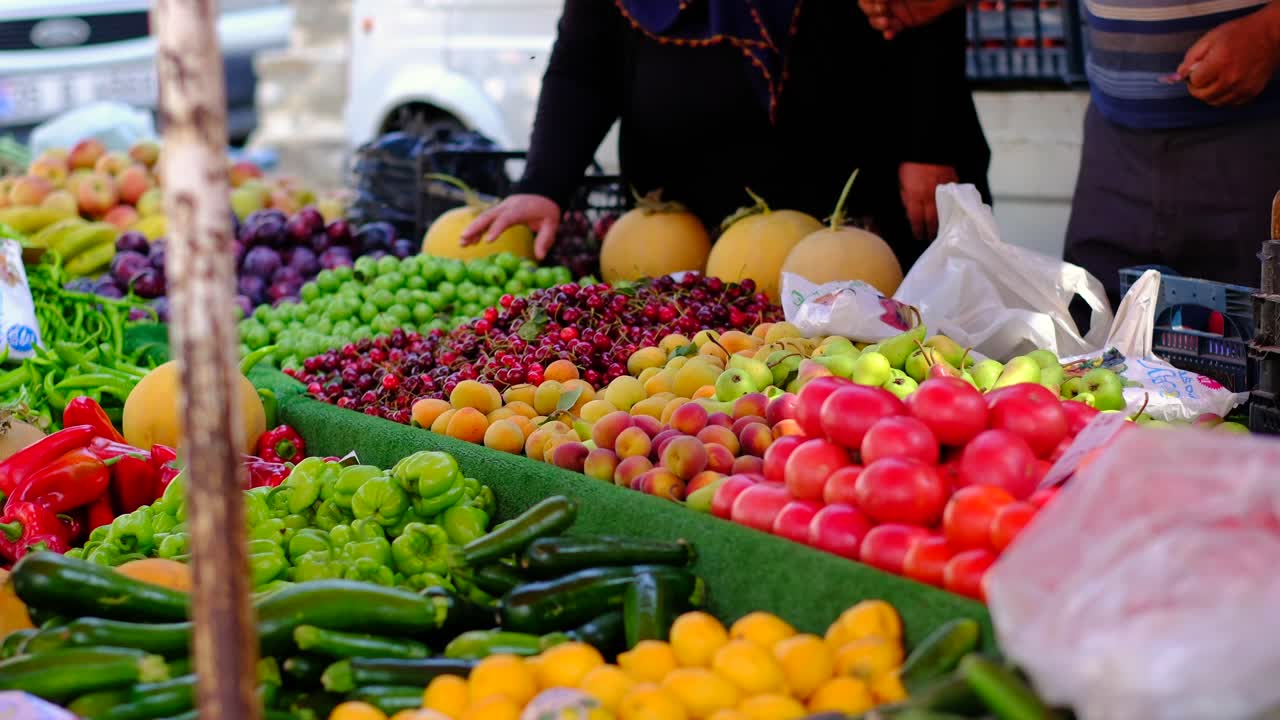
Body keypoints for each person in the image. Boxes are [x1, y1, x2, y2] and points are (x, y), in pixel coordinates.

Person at [460, 0, 991, 274]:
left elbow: (923, 13)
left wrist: (930, 141)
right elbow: (582, 66)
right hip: (690, 225)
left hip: (856, 206)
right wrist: (543, 182)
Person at [862, 0, 1280, 308]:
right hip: (1113, 142)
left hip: (1251, 141)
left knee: (1256, 331)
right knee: (1095, 333)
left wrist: (1268, 33)